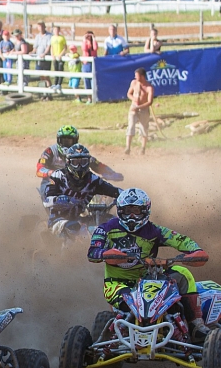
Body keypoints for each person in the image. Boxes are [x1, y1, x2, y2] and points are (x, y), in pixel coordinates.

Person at [88, 188, 210, 342]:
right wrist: (107, 254)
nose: (132, 216)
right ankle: (121, 335)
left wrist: (196, 251)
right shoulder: (106, 229)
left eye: (136, 211)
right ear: (119, 211)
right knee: (129, 308)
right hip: (117, 284)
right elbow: (92, 253)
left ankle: (195, 325)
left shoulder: (154, 231)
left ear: (145, 211)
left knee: (182, 273)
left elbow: (181, 240)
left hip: (149, 282)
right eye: (127, 211)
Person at [43, 144, 121, 238]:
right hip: (57, 220)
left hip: (79, 219)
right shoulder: (58, 176)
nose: (79, 166)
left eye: (83, 162)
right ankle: (63, 252)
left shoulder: (93, 179)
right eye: (75, 162)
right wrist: (58, 200)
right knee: (73, 228)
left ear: (88, 162)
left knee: (112, 222)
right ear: (68, 162)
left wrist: (126, 196)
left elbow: (114, 191)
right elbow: (47, 201)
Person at [37, 126, 123, 203]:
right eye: (64, 140)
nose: (67, 144)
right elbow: (39, 169)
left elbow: (97, 164)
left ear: (75, 141)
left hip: (77, 181)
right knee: (47, 193)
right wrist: (52, 173)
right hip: (52, 181)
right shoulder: (50, 151)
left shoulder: (79, 153)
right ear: (59, 140)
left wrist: (111, 173)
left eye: (70, 141)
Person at [126, 68, 154, 155]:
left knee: (144, 128)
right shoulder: (134, 83)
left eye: (137, 76)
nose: (135, 77)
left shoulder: (149, 87)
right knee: (130, 126)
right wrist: (134, 99)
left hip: (143, 109)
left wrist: (139, 107)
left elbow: (149, 102)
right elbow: (129, 93)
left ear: (142, 76)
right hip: (134, 107)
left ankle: (143, 148)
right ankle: (127, 147)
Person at [32, 21, 52, 96]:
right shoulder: (37, 36)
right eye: (39, 27)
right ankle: (44, 92)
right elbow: (35, 47)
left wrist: (44, 53)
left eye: (41, 26)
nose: (40, 28)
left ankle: (49, 92)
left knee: (46, 75)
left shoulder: (49, 35)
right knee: (41, 75)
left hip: (46, 58)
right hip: (38, 58)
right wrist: (32, 52)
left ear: (44, 27)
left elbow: (48, 46)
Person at [81, 30, 98, 103]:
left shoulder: (94, 42)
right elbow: (84, 49)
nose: (88, 37)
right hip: (86, 64)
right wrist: (84, 40)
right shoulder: (84, 43)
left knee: (93, 81)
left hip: (93, 64)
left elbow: (95, 48)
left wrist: (93, 39)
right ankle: (89, 98)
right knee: (86, 81)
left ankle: (94, 97)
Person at [49, 25, 67, 90]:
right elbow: (51, 47)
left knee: (60, 70)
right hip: (55, 56)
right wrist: (52, 55)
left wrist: (61, 54)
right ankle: (55, 83)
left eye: (57, 30)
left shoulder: (62, 38)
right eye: (54, 30)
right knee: (55, 70)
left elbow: (65, 48)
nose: (56, 31)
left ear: (59, 30)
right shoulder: (52, 38)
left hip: (60, 57)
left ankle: (59, 84)